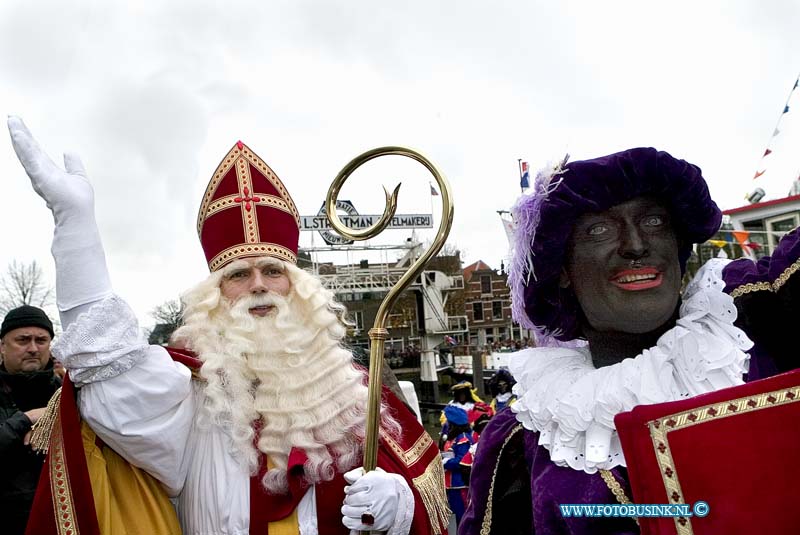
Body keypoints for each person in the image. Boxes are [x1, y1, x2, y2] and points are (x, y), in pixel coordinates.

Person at [8, 117, 450, 535]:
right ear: (214, 298)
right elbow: (107, 368)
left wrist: (400, 504)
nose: (259, 285)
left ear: (299, 289)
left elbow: (429, 495)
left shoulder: (352, 392)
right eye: (239, 275)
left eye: (273, 272)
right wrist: (75, 224)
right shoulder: (193, 391)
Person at [460, 147, 800, 534]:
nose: (636, 246)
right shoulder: (522, 443)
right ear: (563, 270)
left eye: (654, 221)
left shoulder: (752, 316)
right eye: (599, 230)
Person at [0, 305, 61, 535]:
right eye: (23, 340)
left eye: (41, 340)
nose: (33, 348)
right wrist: (25, 420)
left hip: (58, 521)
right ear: (2, 347)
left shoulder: (70, 395)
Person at [441, 405, 472, 527]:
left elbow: (462, 461)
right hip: (452, 485)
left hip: (460, 485)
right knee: (457, 519)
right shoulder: (456, 438)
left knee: (463, 517)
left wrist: (446, 462)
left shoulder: (463, 439)